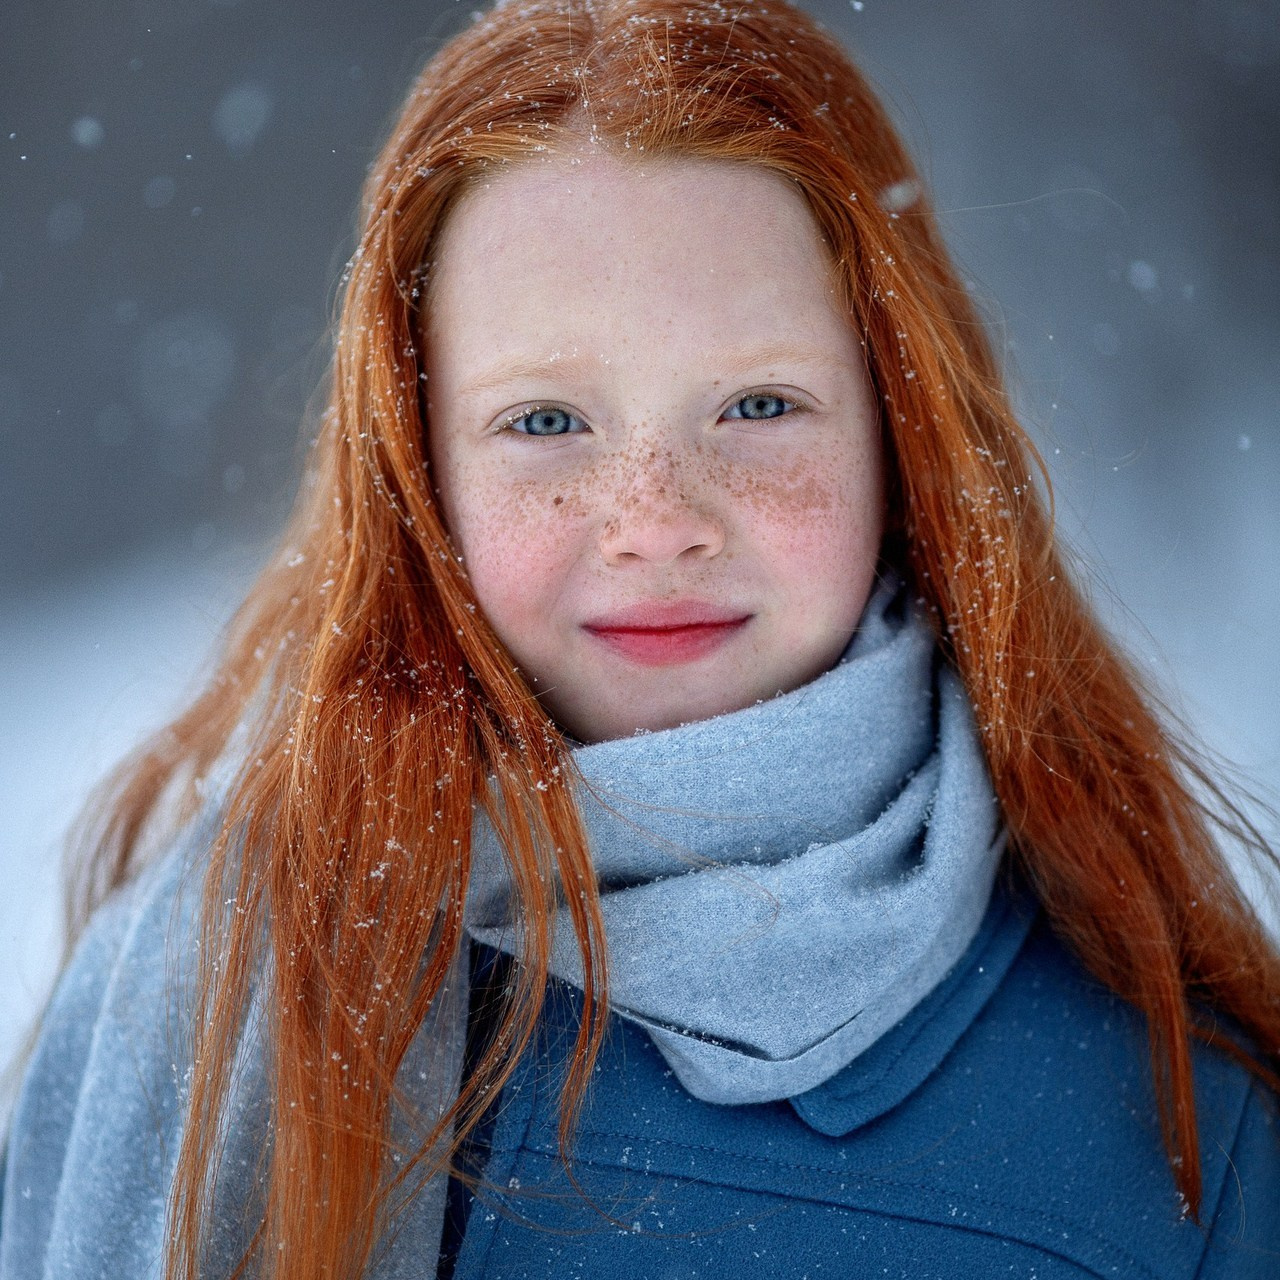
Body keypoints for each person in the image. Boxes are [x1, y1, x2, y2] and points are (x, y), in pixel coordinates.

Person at [3, 0, 1278, 1275]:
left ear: (900, 432)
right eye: (546, 422)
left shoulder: (1171, 1104)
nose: (654, 522)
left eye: (758, 404)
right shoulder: (214, 993)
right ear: (417, 470)